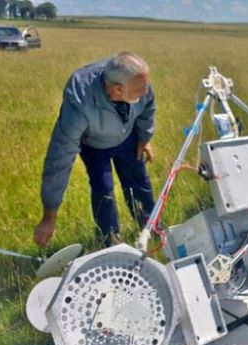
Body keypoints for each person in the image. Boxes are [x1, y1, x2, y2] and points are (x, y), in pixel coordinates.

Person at [34, 51, 157, 247]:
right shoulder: (79, 102)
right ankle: (111, 243)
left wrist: (144, 137)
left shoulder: (138, 82)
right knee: (103, 189)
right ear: (117, 90)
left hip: (128, 137)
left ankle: (153, 228)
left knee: (139, 182)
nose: (145, 91)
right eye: (139, 90)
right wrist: (49, 215)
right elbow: (59, 159)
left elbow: (148, 105)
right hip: (94, 145)